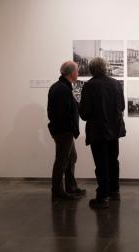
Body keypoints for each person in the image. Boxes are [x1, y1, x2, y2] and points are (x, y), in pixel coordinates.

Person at [79, 57, 126, 209]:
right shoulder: (116, 84)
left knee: (101, 164)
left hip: (98, 131)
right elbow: (122, 106)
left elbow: (85, 113)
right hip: (114, 130)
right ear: (105, 68)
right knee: (113, 161)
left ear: (92, 69)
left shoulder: (89, 86)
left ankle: (103, 196)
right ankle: (114, 191)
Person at [47, 61, 86, 201]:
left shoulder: (63, 87)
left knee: (71, 158)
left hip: (66, 130)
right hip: (64, 131)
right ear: (71, 73)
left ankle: (71, 187)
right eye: (77, 70)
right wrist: (71, 128)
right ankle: (58, 191)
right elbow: (61, 113)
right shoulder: (61, 89)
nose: (78, 73)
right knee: (62, 160)